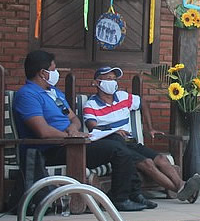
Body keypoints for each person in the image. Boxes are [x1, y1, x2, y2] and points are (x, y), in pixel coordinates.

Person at [13, 51, 146, 211]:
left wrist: (72, 129)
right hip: (53, 150)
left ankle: (134, 192)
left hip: (72, 144)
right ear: (43, 73)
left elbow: (74, 119)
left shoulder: (54, 93)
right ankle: (120, 199)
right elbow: (43, 131)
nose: (56, 74)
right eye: (54, 69)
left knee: (117, 140)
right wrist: (70, 136)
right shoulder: (27, 95)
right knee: (118, 150)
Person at [83, 66, 200, 203]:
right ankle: (183, 190)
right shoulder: (91, 104)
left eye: (115, 79)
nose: (113, 82)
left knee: (161, 159)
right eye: (109, 79)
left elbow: (143, 103)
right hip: (114, 146)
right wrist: (113, 131)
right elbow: (92, 126)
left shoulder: (123, 97)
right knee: (147, 163)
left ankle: (182, 187)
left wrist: (150, 128)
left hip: (131, 142)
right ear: (97, 83)